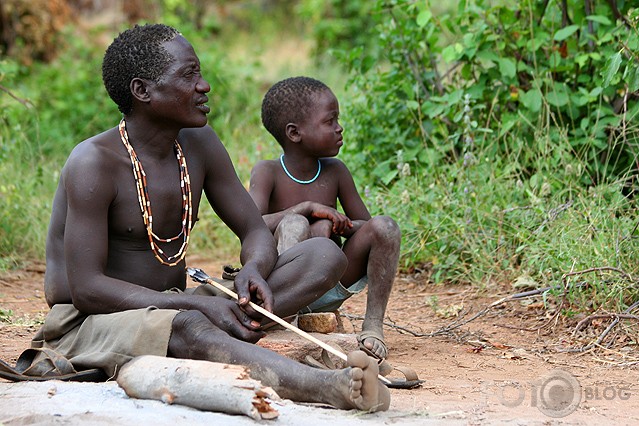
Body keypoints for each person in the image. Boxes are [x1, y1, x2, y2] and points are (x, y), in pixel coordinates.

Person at [18, 24, 389, 412]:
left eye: (199, 73)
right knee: (188, 326)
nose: (204, 85)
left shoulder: (198, 144)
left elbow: (254, 230)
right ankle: (328, 386)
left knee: (323, 256)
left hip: (174, 306)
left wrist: (255, 269)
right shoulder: (94, 163)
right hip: (89, 321)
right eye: (188, 75)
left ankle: (216, 339)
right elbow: (87, 289)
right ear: (143, 91)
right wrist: (193, 309)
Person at [249, 76, 401, 362]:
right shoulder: (267, 171)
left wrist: (336, 224)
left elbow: (364, 227)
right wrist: (306, 208)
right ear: (295, 133)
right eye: (330, 121)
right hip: (282, 289)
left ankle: (373, 325)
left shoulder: (335, 171)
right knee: (296, 224)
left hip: (330, 281)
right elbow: (251, 226)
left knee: (386, 227)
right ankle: (285, 321)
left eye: (337, 119)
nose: (339, 127)